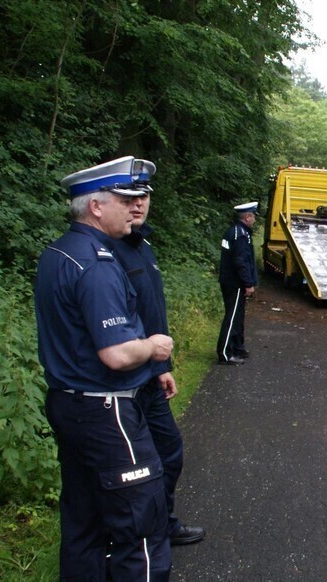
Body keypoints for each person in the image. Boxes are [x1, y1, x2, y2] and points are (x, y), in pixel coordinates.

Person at [35, 156, 173, 580]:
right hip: (106, 411)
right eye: (125, 198)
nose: (135, 207)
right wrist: (152, 346)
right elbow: (114, 354)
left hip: (69, 403)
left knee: (85, 523)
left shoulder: (58, 252)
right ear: (97, 206)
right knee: (142, 524)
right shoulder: (96, 264)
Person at [112, 182, 205, 547]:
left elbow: (150, 311)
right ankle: (136, 537)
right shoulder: (107, 250)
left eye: (144, 198)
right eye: (128, 198)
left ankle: (161, 525)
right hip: (124, 382)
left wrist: (162, 367)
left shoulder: (141, 246)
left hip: (150, 373)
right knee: (134, 467)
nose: (137, 206)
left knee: (169, 451)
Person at [216, 201, 259, 365]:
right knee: (232, 317)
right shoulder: (240, 235)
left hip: (231, 281)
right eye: (253, 216)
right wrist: (248, 283)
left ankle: (237, 347)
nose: (254, 219)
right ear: (247, 217)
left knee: (237, 316)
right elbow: (240, 261)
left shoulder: (234, 231)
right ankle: (225, 353)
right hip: (235, 283)